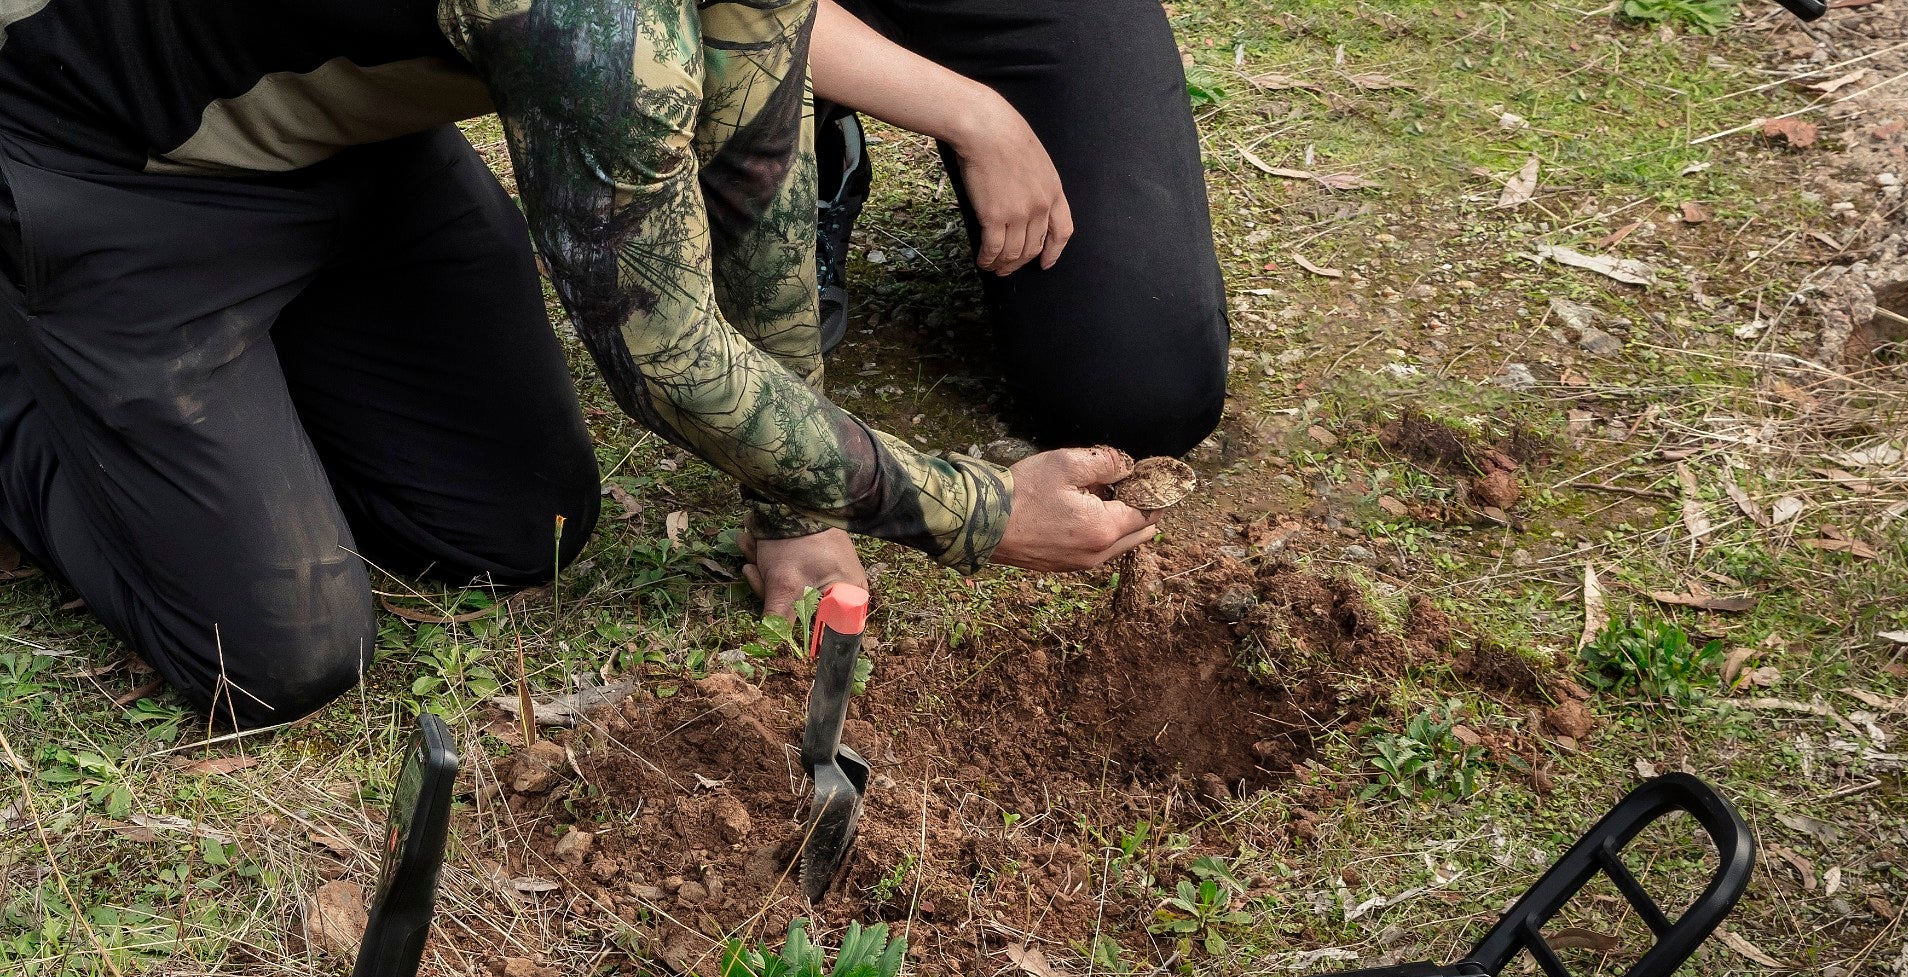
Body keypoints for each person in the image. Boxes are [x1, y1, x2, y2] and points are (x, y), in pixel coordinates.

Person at [0, 0, 1226, 729]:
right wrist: (975, 510)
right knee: (277, 659)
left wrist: (794, 509)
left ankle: (233, 372)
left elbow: (756, 170)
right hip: (110, 165)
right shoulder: (582, 21)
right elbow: (663, 355)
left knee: (512, 530)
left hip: (350, 142)